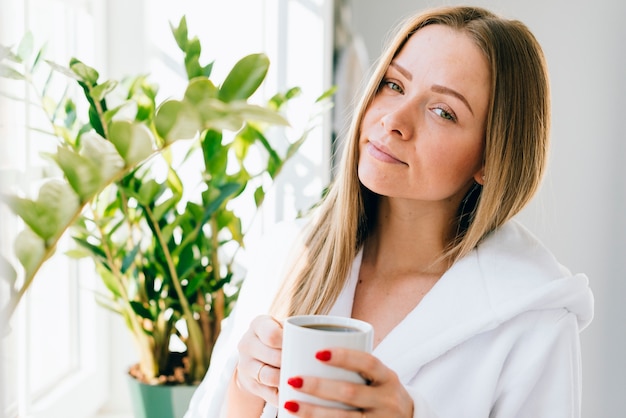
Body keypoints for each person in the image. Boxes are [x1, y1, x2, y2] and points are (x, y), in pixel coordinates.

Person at [185, 5, 594, 418]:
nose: (393, 120)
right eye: (393, 85)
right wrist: (244, 388)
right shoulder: (288, 255)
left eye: (443, 111)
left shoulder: (533, 319)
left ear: (490, 158)